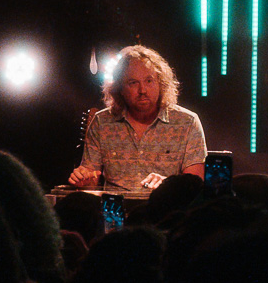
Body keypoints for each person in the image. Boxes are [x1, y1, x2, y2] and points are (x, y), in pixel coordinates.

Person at [69, 45, 206, 191]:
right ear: (120, 88)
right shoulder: (101, 122)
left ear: (161, 83)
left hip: (166, 205)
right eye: (133, 83)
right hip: (116, 205)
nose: (142, 90)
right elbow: (91, 179)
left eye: (149, 81)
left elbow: (196, 184)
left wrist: (167, 184)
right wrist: (84, 180)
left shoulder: (187, 122)